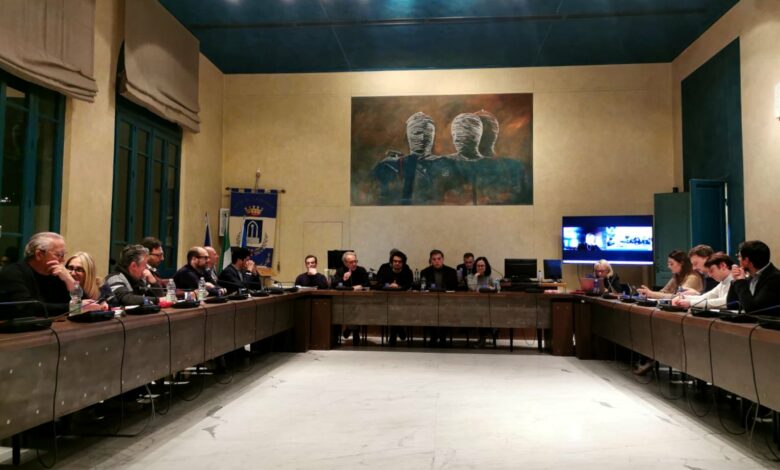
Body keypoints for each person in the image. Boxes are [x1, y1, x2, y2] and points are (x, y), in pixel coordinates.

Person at [0, 232, 104, 318]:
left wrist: (69, 280)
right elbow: (26, 308)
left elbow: (86, 304)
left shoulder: (56, 274)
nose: (63, 260)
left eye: (64, 255)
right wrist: (72, 308)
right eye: (59, 255)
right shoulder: (13, 273)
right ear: (39, 254)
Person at [727, 240, 780, 313]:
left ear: (746, 260)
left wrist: (740, 281)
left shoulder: (775, 279)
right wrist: (735, 280)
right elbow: (732, 305)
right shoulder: (751, 276)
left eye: (739, 256)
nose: (738, 259)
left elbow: (753, 310)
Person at [421, 249, 458, 346]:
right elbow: (423, 287)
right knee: (428, 312)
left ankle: (443, 337)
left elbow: (454, 287)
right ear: (430, 260)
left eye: (439, 259)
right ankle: (433, 336)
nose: (437, 261)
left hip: (447, 302)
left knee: (447, 313)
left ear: (443, 259)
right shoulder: (425, 272)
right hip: (430, 302)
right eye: (434, 259)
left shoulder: (451, 271)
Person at [376, 250, 413, 346]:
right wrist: (388, 286)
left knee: (396, 310)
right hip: (386, 300)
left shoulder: (407, 271)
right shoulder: (384, 269)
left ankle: (393, 334)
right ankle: (399, 329)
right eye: (395, 261)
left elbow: (409, 285)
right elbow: (378, 284)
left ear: (403, 263)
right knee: (392, 310)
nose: (397, 263)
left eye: (399, 262)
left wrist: (398, 287)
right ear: (391, 262)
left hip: (402, 301)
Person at [637, 250, 702, 299]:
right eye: (668, 264)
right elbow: (663, 292)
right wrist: (647, 293)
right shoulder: (677, 276)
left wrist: (652, 294)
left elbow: (679, 297)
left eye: (671, 264)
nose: (668, 266)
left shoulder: (693, 277)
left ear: (681, 263)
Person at [335, 251, 369, 344]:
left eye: (355, 261)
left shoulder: (361, 270)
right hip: (344, 300)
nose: (354, 264)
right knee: (351, 309)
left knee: (357, 309)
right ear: (345, 263)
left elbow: (367, 284)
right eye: (351, 262)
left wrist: (360, 286)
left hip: (360, 300)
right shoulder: (340, 271)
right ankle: (354, 330)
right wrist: (343, 279)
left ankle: (350, 328)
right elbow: (335, 284)